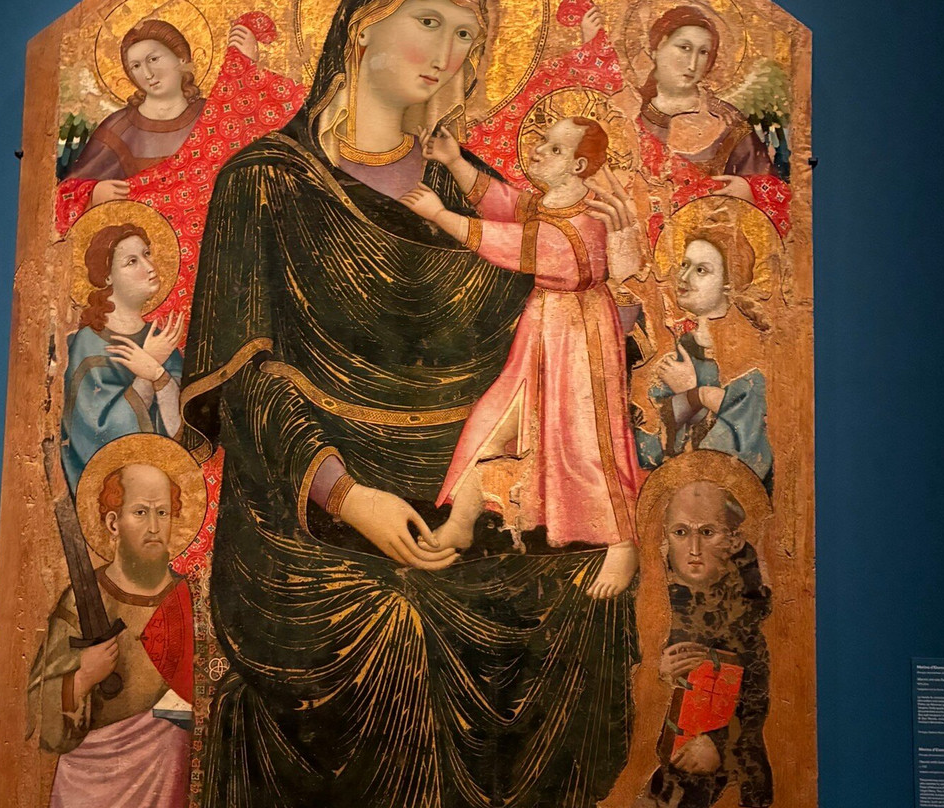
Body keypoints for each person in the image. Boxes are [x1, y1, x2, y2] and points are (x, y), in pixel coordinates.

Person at [181, 0, 640, 804]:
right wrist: (347, 495)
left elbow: (559, 342)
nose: (449, 52)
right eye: (430, 21)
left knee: (583, 591)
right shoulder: (265, 182)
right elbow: (248, 382)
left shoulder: (471, 189)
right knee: (396, 625)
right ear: (362, 24)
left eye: (467, 36)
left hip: (472, 487)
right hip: (309, 511)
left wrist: (618, 278)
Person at [400, 116, 641, 598]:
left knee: (588, 438)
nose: (537, 150)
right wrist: (454, 161)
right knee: (494, 418)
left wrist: (439, 214)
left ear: (578, 167)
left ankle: (622, 542)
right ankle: (462, 522)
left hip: (581, 338)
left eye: (553, 148)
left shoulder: (584, 219)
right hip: (542, 330)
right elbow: (508, 205)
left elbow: (513, 244)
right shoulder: (553, 202)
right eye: (542, 142)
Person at [27, 449, 197, 808]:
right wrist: (82, 678)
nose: (154, 527)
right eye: (141, 512)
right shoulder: (80, 600)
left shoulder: (191, 599)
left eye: (163, 512)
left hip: (168, 776)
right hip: (90, 783)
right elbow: (38, 709)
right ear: (113, 523)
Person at [642, 466, 772, 808]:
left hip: (724, 773)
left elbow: (757, 701)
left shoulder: (752, 613)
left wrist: (718, 744)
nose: (694, 548)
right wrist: (656, 676)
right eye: (681, 532)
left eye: (708, 532)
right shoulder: (647, 608)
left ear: (734, 540)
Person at [58, 19, 259, 218]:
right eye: (136, 66)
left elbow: (257, 140)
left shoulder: (215, 113)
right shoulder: (117, 128)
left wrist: (248, 68)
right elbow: (64, 196)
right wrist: (94, 194)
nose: (147, 74)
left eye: (153, 59)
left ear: (181, 59)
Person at [637, 207, 773, 491]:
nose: (684, 277)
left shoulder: (751, 353)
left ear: (728, 285)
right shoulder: (684, 348)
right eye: (684, 265)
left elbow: (742, 452)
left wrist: (695, 393)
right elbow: (652, 447)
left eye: (701, 270)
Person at [631, 5, 791, 243]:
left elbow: (774, 191)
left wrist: (749, 192)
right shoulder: (626, 112)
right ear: (657, 46)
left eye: (703, 52)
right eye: (684, 48)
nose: (692, 63)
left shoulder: (728, 122)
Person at [61, 223, 184, 492]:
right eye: (132, 261)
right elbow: (98, 434)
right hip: (113, 490)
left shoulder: (162, 343)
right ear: (107, 278)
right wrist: (146, 374)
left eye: (147, 254)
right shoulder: (89, 344)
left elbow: (182, 435)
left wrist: (158, 374)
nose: (149, 267)